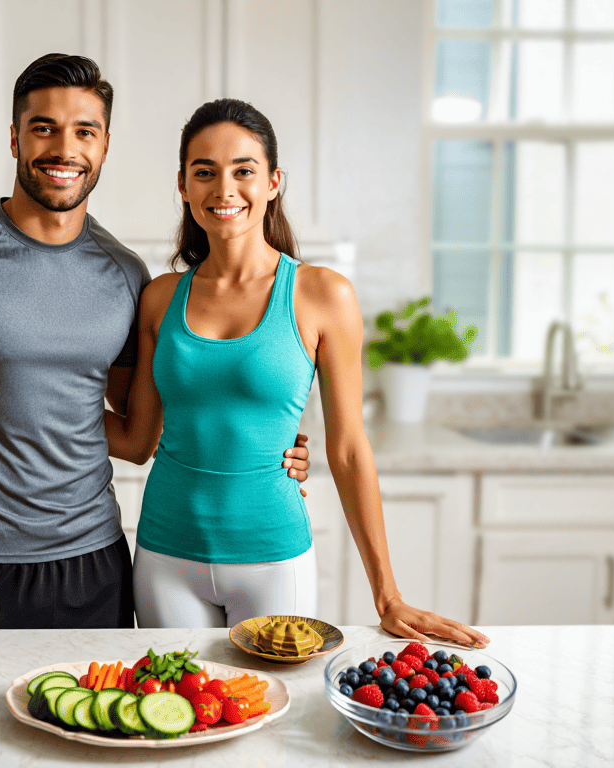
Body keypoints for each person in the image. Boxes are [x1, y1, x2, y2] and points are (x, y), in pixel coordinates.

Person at [0, 56, 311, 667]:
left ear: (104, 146)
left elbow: (135, 436)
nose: (63, 148)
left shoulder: (128, 275)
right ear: (16, 138)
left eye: (84, 131)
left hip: (95, 566)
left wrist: (270, 443)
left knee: (97, 748)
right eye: (44, 128)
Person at [105, 99, 489, 646]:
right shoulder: (159, 299)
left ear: (273, 182)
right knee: (176, 722)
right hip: (165, 552)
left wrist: (388, 594)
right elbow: (138, 438)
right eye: (204, 173)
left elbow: (350, 448)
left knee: (271, 720)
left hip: (273, 558)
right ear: (184, 186)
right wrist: (40, 399)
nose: (224, 189)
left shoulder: (321, 295)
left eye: (244, 171)